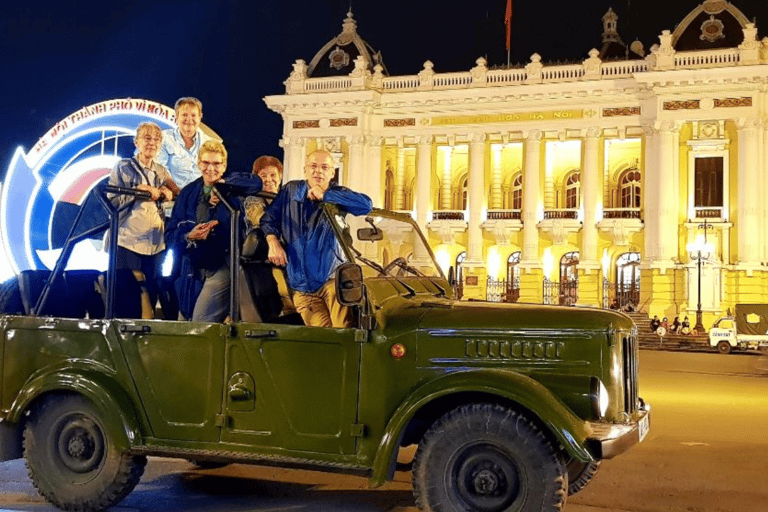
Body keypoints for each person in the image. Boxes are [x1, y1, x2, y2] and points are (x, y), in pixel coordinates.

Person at [260, 149, 373, 328]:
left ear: (332, 172)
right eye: (313, 166)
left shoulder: (338, 193)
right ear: (305, 170)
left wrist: (326, 196)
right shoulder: (291, 190)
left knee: (344, 334)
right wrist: (272, 241)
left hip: (333, 283)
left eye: (324, 167)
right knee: (322, 339)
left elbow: (366, 205)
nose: (318, 171)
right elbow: (268, 219)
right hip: (302, 287)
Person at [165, 140, 261, 322]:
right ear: (198, 164)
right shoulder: (188, 193)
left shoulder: (232, 188)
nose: (211, 168)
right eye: (206, 163)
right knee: (183, 321)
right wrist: (189, 235)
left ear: (224, 166)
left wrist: (224, 186)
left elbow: (256, 184)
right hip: (193, 264)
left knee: (200, 322)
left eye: (216, 164)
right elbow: (170, 234)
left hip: (222, 264)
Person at [108, 121, 176, 318]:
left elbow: (176, 195)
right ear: (136, 142)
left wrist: (167, 194)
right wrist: (136, 192)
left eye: (156, 139)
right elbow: (111, 202)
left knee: (152, 289)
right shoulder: (123, 167)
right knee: (127, 292)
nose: (152, 143)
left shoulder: (162, 171)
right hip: (127, 240)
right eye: (147, 138)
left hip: (156, 242)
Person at [242, 155, 296, 320]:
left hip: (289, 255)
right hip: (263, 259)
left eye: (273, 175)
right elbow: (262, 224)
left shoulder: (288, 200)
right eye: (263, 175)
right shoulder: (252, 201)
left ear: (280, 177)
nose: (269, 179)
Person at [156, 97, 214, 189]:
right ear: (176, 117)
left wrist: (205, 197)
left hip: (201, 197)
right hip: (172, 197)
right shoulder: (164, 138)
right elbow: (160, 171)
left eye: (193, 115)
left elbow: (213, 175)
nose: (189, 119)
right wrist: (180, 195)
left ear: (200, 117)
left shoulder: (210, 143)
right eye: (184, 115)